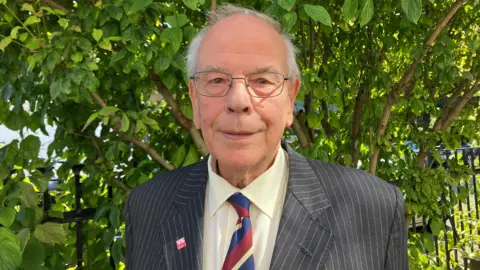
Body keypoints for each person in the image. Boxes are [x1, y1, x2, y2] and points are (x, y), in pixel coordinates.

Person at [124, 4, 408, 270]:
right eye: (217, 80)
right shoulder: (147, 207)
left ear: (290, 98)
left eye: (262, 81)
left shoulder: (373, 209)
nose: (238, 101)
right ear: (194, 100)